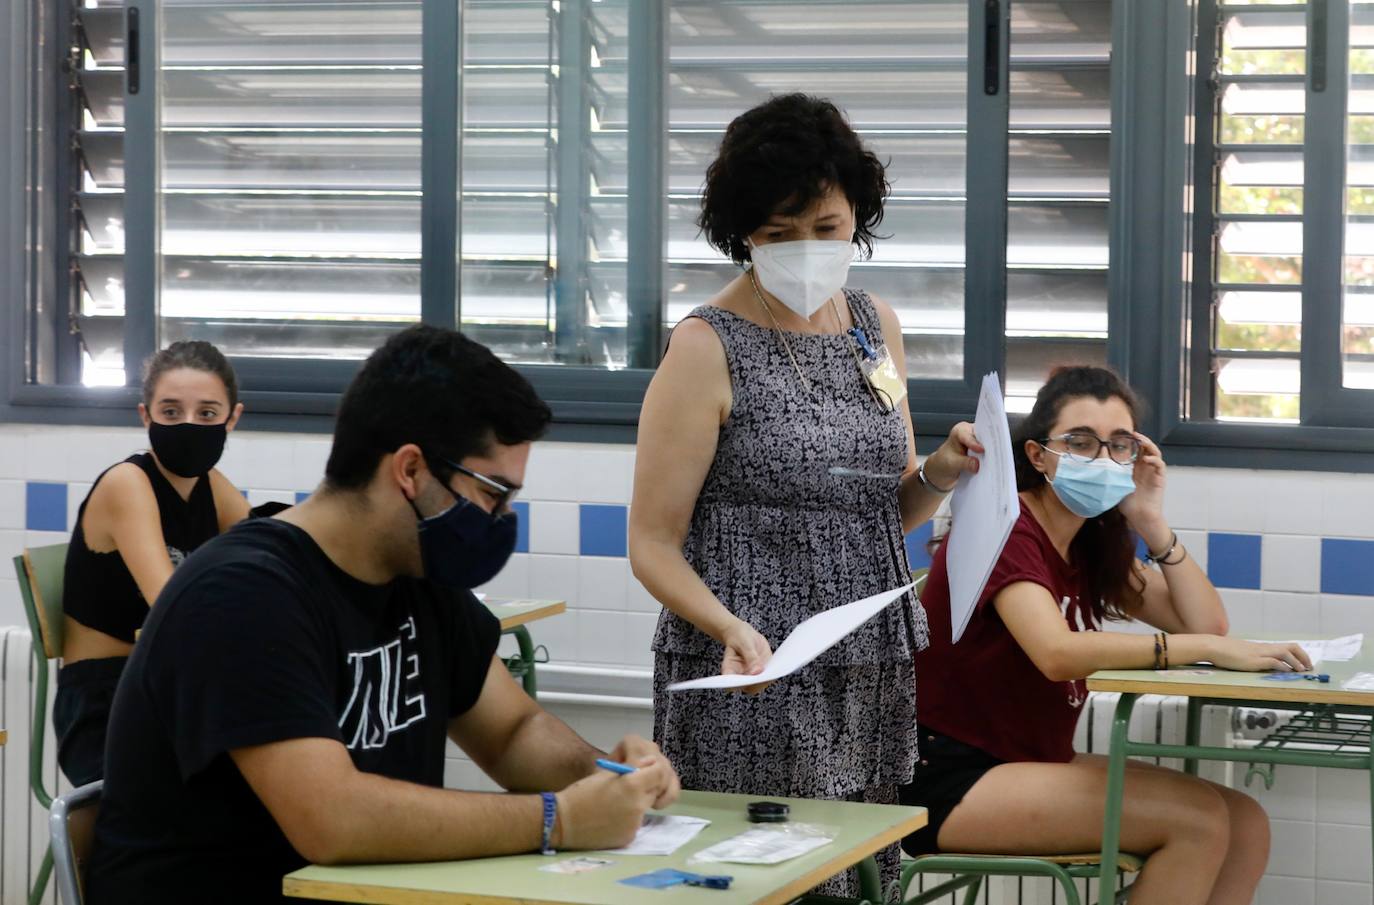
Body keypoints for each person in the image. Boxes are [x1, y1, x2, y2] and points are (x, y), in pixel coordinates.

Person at [86, 325, 681, 905]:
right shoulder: (243, 595)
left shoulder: (416, 574)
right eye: (491, 493)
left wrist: (604, 775)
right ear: (411, 470)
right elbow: (333, 820)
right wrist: (560, 819)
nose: (498, 518)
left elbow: (511, 731)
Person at [629, 93, 979, 895]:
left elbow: (879, 507)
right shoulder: (705, 345)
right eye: (777, 234)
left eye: (825, 228)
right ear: (741, 234)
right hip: (752, 664)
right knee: (762, 879)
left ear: (858, 214)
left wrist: (939, 473)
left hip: (866, 657)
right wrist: (728, 624)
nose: (806, 249)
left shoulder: (871, 323)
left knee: (860, 873)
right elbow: (650, 540)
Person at [898, 365, 1311, 905]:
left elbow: (1205, 622)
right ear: (1037, 455)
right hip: (948, 772)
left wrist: (1149, 521)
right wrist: (1206, 651)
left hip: (1028, 759)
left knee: (1246, 822)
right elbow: (1055, 653)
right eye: (1081, 442)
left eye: (1119, 445)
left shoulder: (1092, 538)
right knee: (1199, 823)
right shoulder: (1008, 526)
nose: (1102, 457)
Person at [55, 340, 251, 786]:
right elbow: (172, 605)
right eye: (170, 412)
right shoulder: (129, 483)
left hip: (168, 689)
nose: (188, 425)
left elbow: (261, 559)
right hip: (105, 703)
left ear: (231, 418)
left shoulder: (212, 486)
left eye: (206, 414)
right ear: (145, 416)